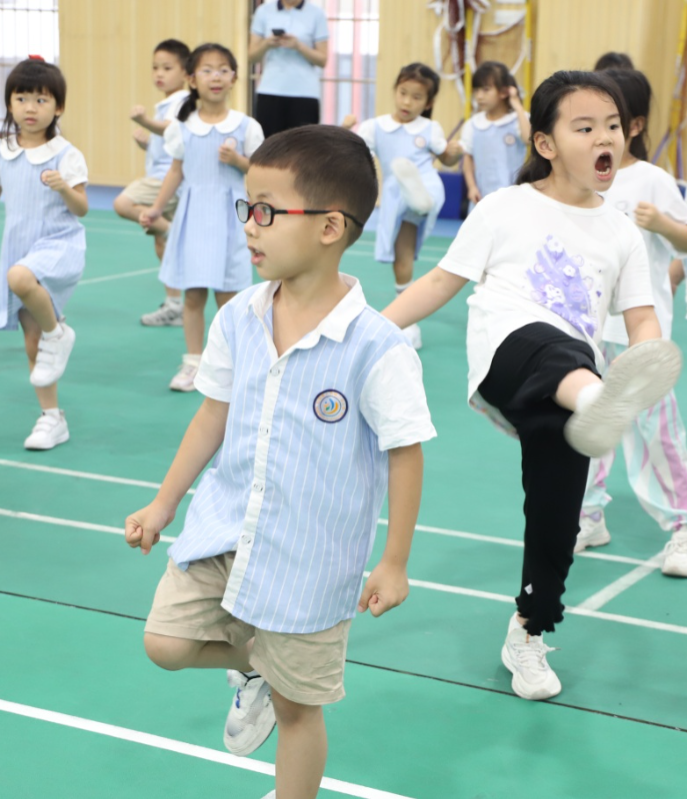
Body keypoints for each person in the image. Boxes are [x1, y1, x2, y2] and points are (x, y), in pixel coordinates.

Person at [125, 124, 435, 800]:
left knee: (299, 709)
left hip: (311, 555)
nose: (250, 226)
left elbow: (405, 452)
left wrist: (395, 560)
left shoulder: (376, 346)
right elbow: (213, 414)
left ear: (329, 227)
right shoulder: (238, 317)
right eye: (246, 207)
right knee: (165, 643)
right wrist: (164, 502)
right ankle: (257, 667)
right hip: (226, 524)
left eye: (266, 210)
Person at [383, 70, 682, 701]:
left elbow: (640, 313)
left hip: (569, 388)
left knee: (555, 510)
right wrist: (368, 331)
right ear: (545, 144)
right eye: (585, 127)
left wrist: (652, 356)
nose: (606, 138)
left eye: (612, 126)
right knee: (557, 348)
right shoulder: (504, 208)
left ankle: (529, 629)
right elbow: (441, 281)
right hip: (507, 355)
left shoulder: (622, 230)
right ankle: (598, 399)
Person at [578, 69, 687, 578]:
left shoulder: (653, 181)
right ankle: (588, 516)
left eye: (612, 121)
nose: (598, 135)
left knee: (656, 435)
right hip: (585, 336)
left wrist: (663, 224)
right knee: (587, 426)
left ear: (635, 125)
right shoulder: (580, 181)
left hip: (640, 340)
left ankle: (683, 526)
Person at [0, 59, 88, 451]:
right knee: (33, 340)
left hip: (60, 244)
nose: (30, 107)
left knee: (21, 279)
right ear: (9, 103)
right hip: (20, 245)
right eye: (21, 97)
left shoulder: (66, 154)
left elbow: (80, 209)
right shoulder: (1, 150)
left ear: (57, 107)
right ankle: (51, 418)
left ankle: (59, 333)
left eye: (41, 99)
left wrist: (64, 187)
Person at [140, 43, 264, 392]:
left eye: (223, 70)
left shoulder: (246, 126)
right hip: (194, 217)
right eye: (207, 70)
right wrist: (154, 208)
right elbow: (175, 173)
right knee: (193, 296)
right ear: (192, 79)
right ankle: (193, 363)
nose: (216, 77)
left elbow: (262, 172)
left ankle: (230, 365)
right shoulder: (181, 127)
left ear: (235, 78)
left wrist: (239, 161)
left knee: (230, 298)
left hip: (232, 220)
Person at [344, 63, 463, 349]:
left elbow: (446, 161)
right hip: (396, 197)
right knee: (402, 255)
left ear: (429, 102)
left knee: (421, 201)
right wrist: (345, 130)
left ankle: (421, 201)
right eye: (403, 93)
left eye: (417, 97)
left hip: (425, 184)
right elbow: (352, 151)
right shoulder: (376, 127)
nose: (408, 102)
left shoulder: (429, 128)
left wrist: (453, 154)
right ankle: (408, 319)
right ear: (395, 91)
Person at [113, 39, 190, 328]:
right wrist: (147, 145)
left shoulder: (182, 101)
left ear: (185, 73)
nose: (159, 73)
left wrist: (145, 122)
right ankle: (173, 305)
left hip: (166, 180)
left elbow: (174, 129)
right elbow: (170, 144)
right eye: (155, 68)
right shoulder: (166, 103)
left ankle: (175, 233)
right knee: (161, 242)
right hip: (164, 175)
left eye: (167, 68)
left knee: (123, 203)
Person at [249, 0, 329, 138]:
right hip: (270, 90)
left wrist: (299, 46)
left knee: (303, 150)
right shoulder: (263, 11)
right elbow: (251, 57)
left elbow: (322, 60)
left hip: (305, 93)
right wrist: (267, 44)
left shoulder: (317, 13)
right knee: (269, 148)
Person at [460, 61, 531, 206]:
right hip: (482, 199)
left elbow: (528, 139)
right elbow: (468, 159)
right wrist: (472, 187)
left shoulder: (518, 119)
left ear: (504, 92)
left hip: (513, 200)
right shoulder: (472, 125)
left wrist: (517, 104)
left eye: (486, 90)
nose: (479, 96)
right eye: (477, 90)